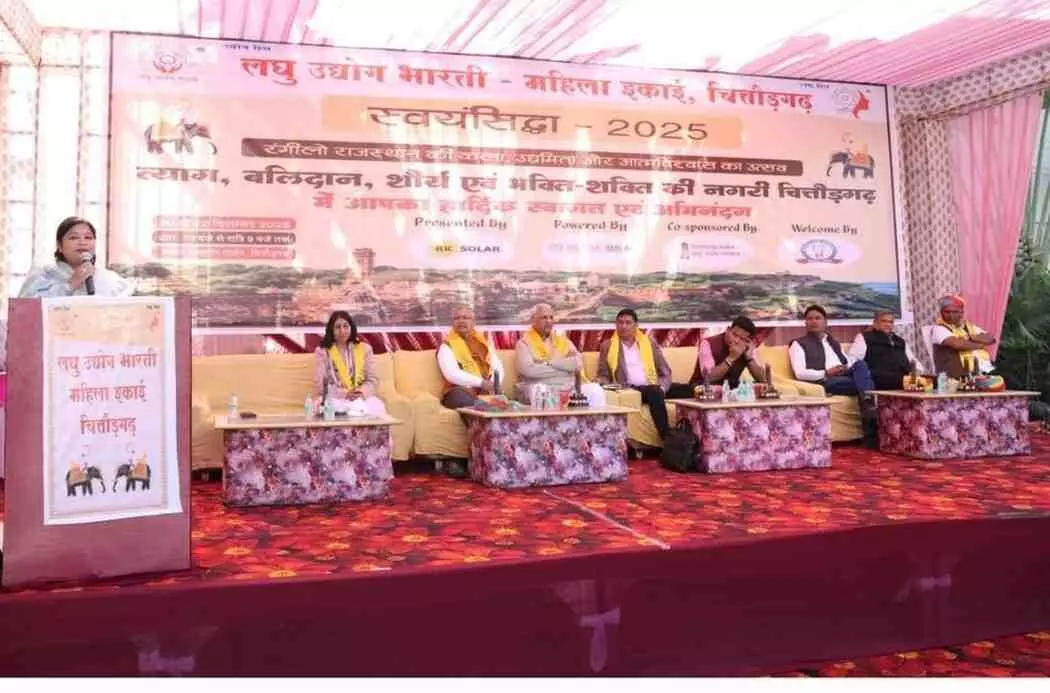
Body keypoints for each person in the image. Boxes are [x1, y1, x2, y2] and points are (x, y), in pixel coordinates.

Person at [597, 309, 692, 439]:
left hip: (654, 385)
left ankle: (692, 434)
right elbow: (603, 374)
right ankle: (667, 437)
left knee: (689, 389)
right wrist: (601, 382)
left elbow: (665, 371)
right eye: (620, 322)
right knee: (655, 392)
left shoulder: (649, 343)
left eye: (628, 323)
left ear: (636, 325)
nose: (623, 326)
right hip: (631, 389)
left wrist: (662, 387)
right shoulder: (607, 346)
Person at [789, 304, 877, 441]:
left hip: (842, 375)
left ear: (825, 322)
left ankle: (867, 404)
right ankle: (868, 406)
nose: (813, 321)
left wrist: (845, 367)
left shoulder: (833, 342)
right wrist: (826, 373)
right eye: (810, 319)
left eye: (817, 318)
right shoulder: (798, 344)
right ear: (805, 323)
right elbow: (799, 373)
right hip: (823, 381)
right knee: (867, 383)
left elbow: (847, 362)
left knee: (860, 364)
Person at [19, 217, 135, 298]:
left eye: (88, 238)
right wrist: (70, 285)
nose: (82, 242)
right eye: (74, 238)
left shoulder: (109, 279)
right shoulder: (44, 275)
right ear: (59, 245)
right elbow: (25, 311)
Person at [514, 303, 605, 406]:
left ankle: (595, 418)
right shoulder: (524, 343)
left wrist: (547, 363)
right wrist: (566, 368)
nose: (549, 321)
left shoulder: (563, 340)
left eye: (551, 317)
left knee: (595, 390)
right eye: (544, 318)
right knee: (540, 391)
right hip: (542, 387)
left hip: (568, 388)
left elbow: (578, 363)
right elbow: (529, 371)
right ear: (533, 320)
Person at [313, 310, 387, 417]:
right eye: (337, 327)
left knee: (376, 408)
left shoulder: (365, 349)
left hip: (361, 397)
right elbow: (321, 384)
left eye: (345, 326)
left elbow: (373, 379)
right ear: (331, 330)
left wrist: (361, 393)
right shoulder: (322, 351)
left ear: (351, 328)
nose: (342, 331)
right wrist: (345, 394)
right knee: (332, 408)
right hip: (336, 398)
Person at [437, 305, 504, 409]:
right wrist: (481, 383)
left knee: (503, 401)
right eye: (457, 318)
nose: (461, 321)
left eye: (465, 318)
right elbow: (451, 374)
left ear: (473, 322)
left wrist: (494, 383)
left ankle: (487, 408)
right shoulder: (446, 346)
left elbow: (497, 366)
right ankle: (484, 409)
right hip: (459, 391)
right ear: (452, 323)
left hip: (486, 389)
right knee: (462, 399)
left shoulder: (483, 343)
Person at [848, 310, 925, 390]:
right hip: (880, 379)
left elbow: (912, 360)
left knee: (930, 382)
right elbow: (854, 360)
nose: (888, 324)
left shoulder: (900, 341)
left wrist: (917, 371)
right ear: (875, 323)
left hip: (904, 379)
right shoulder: (864, 337)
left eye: (891, 322)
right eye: (884, 321)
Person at [929, 294, 996, 377]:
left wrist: (972, 337)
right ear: (941, 313)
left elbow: (991, 338)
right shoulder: (938, 329)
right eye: (947, 312)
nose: (951, 315)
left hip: (978, 373)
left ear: (961, 313)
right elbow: (958, 345)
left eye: (955, 312)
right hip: (952, 378)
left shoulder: (969, 326)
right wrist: (981, 344)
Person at [690, 315, 766, 388]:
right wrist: (731, 358)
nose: (737, 340)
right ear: (728, 330)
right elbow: (709, 377)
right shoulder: (707, 343)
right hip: (700, 390)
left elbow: (763, 379)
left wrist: (749, 359)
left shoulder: (747, 347)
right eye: (735, 335)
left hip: (730, 391)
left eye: (742, 338)